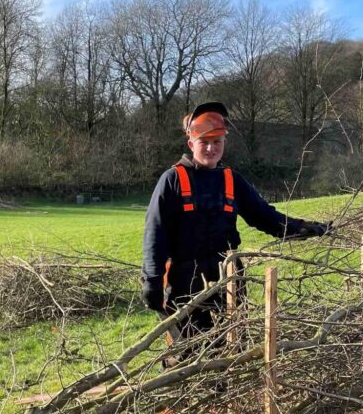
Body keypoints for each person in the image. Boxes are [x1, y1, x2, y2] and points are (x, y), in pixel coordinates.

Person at [141, 102, 330, 336]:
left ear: (224, 143)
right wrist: (152, 280)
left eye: (216, 142)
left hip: (229, 280)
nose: (211, 148)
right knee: (187, 356)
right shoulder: (172, 180)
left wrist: (301, 228)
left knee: (232, 349)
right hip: (184, 283)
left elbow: (265, 217)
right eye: (204, 142)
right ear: (191, 144)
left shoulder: (232, 180)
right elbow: (155, 232)